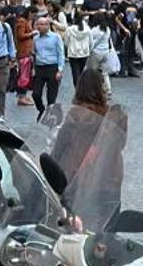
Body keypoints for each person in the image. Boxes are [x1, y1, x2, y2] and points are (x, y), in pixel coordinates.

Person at [50, 68, 129, 225]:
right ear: (101, 88)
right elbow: (120, 145)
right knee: (106, 232)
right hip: (108, 181)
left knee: (75, 231)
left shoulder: (75, 115)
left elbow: (59, 149)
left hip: (77, 181)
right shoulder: (114, 117)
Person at [29, 14, 65, 123]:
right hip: (40, 68)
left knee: (51, 97)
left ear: (48, 26)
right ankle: (41, 109)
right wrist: (33, 68)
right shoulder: (35, 39)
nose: (41, 26)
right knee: (35, 93)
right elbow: (34, 54)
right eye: (39, 24)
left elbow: (61, 54)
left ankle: (50, 117)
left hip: (52, 67)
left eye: (44, 24)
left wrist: (60, 69)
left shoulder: (56, 37)